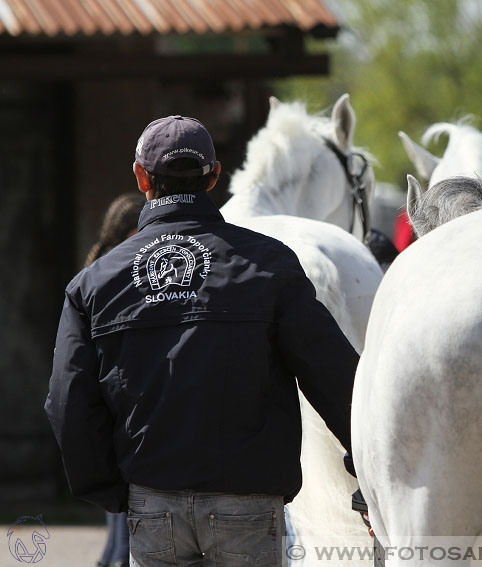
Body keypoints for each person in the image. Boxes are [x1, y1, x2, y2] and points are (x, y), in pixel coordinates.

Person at [45, 116, 360, 565]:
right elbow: (333, 375)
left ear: (140, 177)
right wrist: (364, 470)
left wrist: (113, 490)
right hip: (248, 503)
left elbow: (67, 401)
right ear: (213, 176)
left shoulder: (93, 283)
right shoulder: (270, 264)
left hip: (151, 502)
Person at [85, 191, 146, 567]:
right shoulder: (114, 275)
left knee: (119, 534)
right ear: (126, 231)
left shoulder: (97, 270)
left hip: (112, 415)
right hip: (119, 415)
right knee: (124, 534)